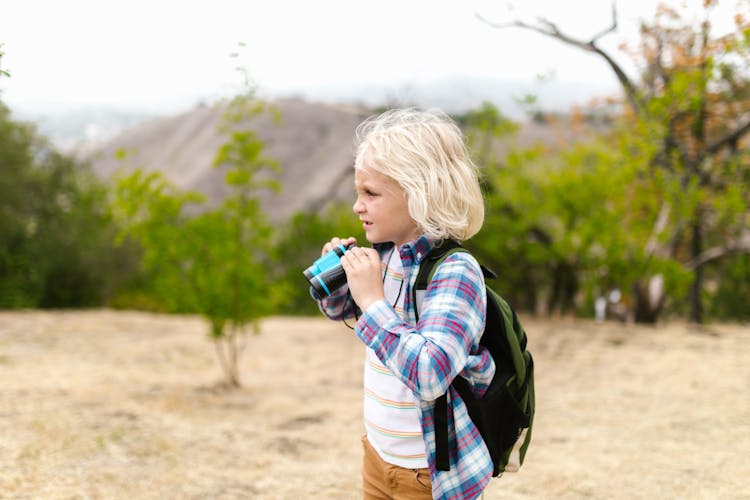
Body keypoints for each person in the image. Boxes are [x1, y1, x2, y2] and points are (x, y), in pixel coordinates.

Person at [312, 108, 494, 500]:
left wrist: (374, 301)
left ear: (419, 194)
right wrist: (340, 282)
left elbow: (430, 373)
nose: (358, 206)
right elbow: (342, 312)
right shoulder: (387, 256)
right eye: (358, 193)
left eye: (371, 194)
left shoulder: (455, 272)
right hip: (377, 455)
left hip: (428, 474)